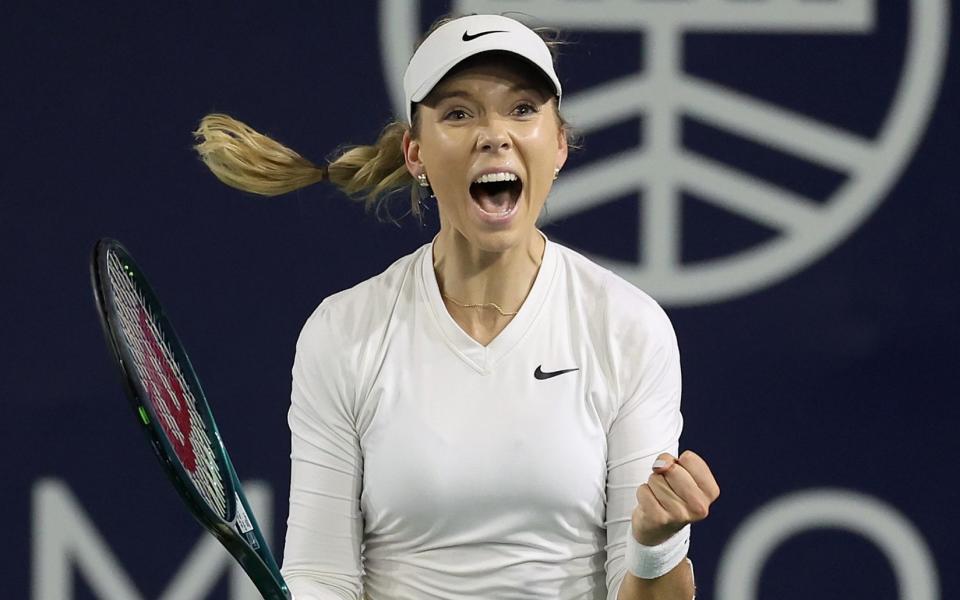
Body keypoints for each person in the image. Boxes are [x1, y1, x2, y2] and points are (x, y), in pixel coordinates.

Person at [194, 13, 719, 600]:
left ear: (560, 145)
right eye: (459, 113)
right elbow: (321, 575)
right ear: (415, 154)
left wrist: (655, 546)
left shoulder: (628, 327)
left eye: (522, 109)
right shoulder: (343, 332)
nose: (494, 134)